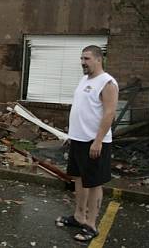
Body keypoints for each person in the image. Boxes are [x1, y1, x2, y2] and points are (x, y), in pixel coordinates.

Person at [55, 45, 118, 242]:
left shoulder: (107, 83)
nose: (83, 62)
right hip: (79, 140)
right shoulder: (84, 80)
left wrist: (98, 141)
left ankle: (91, 225)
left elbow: (109, 113)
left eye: (87, 59)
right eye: (82, 58)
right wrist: (71, 134)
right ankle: (78, 216)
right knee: (79, 180)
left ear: (99, 59)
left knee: (94, 183)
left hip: (94, 142)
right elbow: (83, 109)